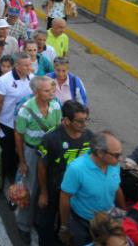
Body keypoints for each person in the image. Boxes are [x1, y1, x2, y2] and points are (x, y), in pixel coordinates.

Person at [37, 100, 94, 246]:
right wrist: (43, 192)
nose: (84, 124)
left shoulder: (89, 137)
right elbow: (42, 166)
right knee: (46, 223)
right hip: (53, 188)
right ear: (67, 121)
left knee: (68, 224)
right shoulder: (51, 138)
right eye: (80, 121)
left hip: (75, 192)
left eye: (86, 120)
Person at [14, 76, 63, 243]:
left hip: (50, 153)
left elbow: (58, 129)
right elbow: (19, 135)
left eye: (51, 89)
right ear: (36, 92)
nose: (51, 93)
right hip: (32, 153)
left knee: (47, 189)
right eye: (46, 90)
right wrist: (22, 161)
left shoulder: (56, 105)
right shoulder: (25, 110)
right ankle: (23, 226)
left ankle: (37, 220)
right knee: (30, 190)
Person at [58, 131, 125, 246]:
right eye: (116, 155)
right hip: (83, 223)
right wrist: (64, 226)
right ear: (100, 153)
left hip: (109, 219)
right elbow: (65, 198)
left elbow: (116, 187)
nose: (120, 159)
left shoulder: (114, 165)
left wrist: (123, 211)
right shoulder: (76, 169)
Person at [0, 53, 33, 183]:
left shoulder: (32, 79)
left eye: (29, 64)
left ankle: (16, 176)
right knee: (7, 152)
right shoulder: (4, 81)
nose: (29, 67)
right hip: (7, 124)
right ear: (17, 66)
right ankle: (3, 177)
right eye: (25, 65)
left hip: (24, 125)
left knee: (19, 152)